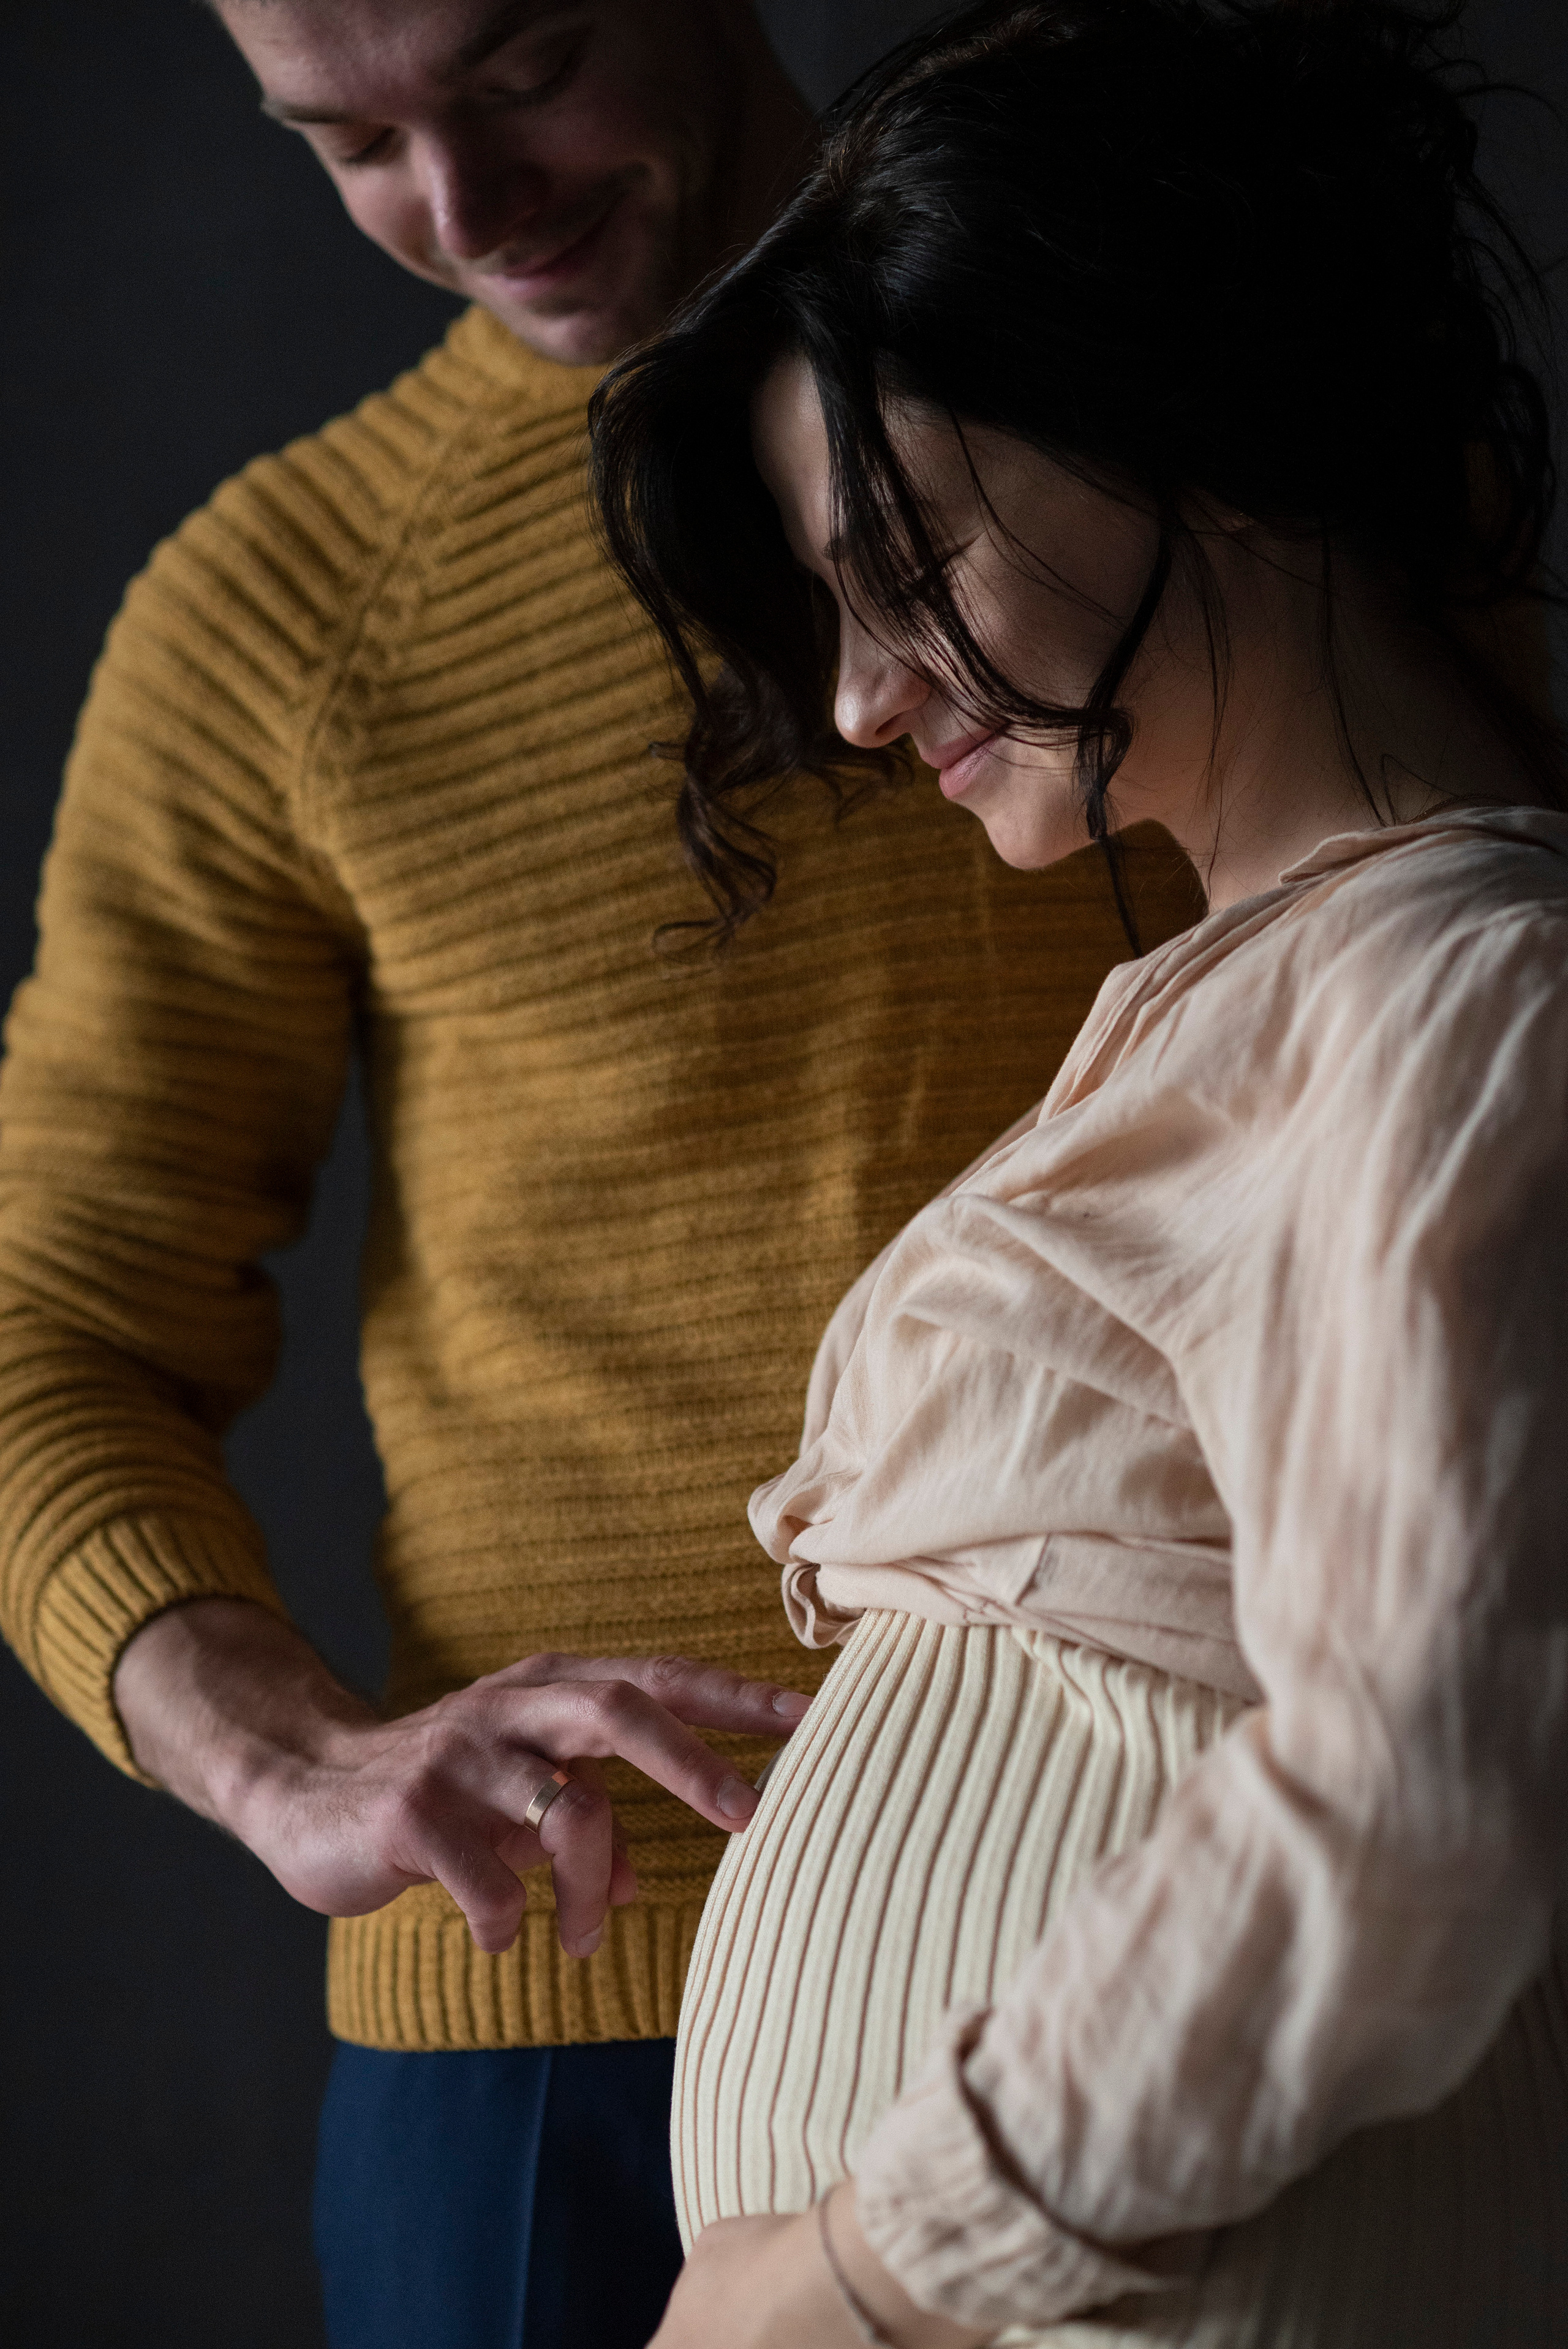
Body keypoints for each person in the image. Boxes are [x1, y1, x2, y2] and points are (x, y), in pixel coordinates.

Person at [0, 1, 1206, 2343]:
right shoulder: (275, 613)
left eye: (524, 63)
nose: (465, 207)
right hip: (571, 2021)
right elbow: (59, 1328)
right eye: (348, 142)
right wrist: (286, 1759)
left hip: (1208, 1913)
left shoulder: (1160, 364)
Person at [588, 0, 1568, 2340]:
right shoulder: (1290, 978)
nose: (856, 698)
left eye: (904, 556)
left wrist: (859, 2266)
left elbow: (1419, 1797)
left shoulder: (1454, 978)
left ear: (1188, 415)